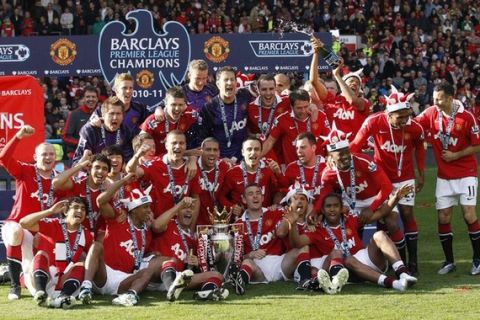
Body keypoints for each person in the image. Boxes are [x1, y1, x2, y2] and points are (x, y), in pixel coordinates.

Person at [78, 176, 191, 306]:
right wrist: (122, 181)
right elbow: (100, 201)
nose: (149, 211)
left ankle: (131, 296)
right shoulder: (118, 219)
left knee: (147, 271)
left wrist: (150, 254)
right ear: (134, 210)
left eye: (149, 207)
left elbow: (139, 254)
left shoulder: (146, 232)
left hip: (123, 279)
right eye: (145, 207)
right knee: (96, 246)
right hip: (104, 273)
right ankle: (86, 288)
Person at [350, 86, 426, 274]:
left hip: (406, 176)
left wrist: (421, 172)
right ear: (388, 113)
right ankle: (394, 261)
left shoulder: (415, 127)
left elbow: (420, 148)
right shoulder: (373, 121)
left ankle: (413, 262)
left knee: (407, 214)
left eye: (407, 115)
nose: (405, 120)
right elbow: (355, 147)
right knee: (388, 218)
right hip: (381, 178)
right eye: (400, 117)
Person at [287, 189, 417, 293]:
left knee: (380, 235)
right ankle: (392, 283)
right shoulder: (317, 229)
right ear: (322, 210)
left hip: (365, 259)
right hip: (344, 269)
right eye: (328, 206)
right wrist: (292, 224)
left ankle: (402, 273)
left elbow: (380, 213)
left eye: (336, 206)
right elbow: (296, 243)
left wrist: (395, 198)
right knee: (346, 257)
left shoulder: (351, 219)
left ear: (341, 208)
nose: (332, 209)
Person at [415, 82, 480, 275]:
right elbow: (413, 124)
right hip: (444, 177)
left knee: (469, 214)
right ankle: (449, 261)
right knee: (443, 217)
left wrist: (456, 155)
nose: (435, 102)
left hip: (466, 174)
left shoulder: (467, 117)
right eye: (434, 98)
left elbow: (478, 145)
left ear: (450, 98)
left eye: (439, 98)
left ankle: (477, 259)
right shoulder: (430, 113)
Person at [319, 125, 407, 262]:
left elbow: (386, 187)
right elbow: (326, 198)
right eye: (340, 154)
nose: (346, 156)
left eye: (347, 151)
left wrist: (371, 208)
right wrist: (318, 212)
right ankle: (358, 261)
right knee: (350, 228)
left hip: (376, 196)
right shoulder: (328, 174)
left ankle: (406, 263)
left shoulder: (364, 161)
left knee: (392, 223)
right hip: (351, 201)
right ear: (331, 157)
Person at [0, 125, 57, 300]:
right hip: (15, 225)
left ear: (56, 157)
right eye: (43, 154)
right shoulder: (26, 170)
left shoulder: (59, 179)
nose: (48, 157)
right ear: (35, 158)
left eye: (51, 154)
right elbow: (3, 157)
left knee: (35, 278)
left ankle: (17, 277)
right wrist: (18, 136)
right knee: (18, 231)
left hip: (39, 233)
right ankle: (14, 286)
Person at [232, 184, 307, 293]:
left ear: (262, 198)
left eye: (258, 193)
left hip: (279, 264)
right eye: (250, 194)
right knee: (247, 262)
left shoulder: (276, 212)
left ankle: (305, 280)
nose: (255, 197)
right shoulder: (238, 225)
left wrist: (305, 219)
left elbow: (284, 230)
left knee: (302, 248)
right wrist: (251, 254)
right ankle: (240, 283)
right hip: (257, 268)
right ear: (244, 199)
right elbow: (237, 257)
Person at [19, 198, 93, 309]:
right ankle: (41, 293)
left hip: (66, 281)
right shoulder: (53, 224)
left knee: (82, 263)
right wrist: (50, 211)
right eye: (76, 207)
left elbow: (91, 260)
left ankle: (64, 297)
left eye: (83, 209)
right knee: (41, 254)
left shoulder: (86, 234)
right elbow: (23, 223)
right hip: (47, 277)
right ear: (66, 211)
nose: (80, 211)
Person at [151, 197, 229, 301]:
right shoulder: (169, 224)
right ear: (177, 212)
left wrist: (196, 262)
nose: (188, 210)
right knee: (171, 262)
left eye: (191, 208)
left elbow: (202, 264)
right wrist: (179, 205)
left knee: (217, 275)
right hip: (159, 275)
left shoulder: (194, 239)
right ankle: (171, 287)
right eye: (184, 208)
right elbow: (156, 226)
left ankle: (205, 294)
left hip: (180, 278)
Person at [126, 130, 201, 223]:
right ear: (166, 146)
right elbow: (131, 171)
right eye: (174, 143)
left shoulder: (191, 168)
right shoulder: (154, 164)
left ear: (186, 146)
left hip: (180, 226)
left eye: (181, 143)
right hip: (156, 223)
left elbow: (196, 198)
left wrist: (192, 227)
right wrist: (137, 155)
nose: (178, 146)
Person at [199, 66, 255, 164]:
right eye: (226, 80)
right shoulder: (210, 107)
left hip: (244, 159)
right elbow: (204, 139)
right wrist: (218, 159)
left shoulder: (245, 95)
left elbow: (266, 94)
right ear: (218, 84)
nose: (229, 83)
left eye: (232, 79)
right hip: (219, 161)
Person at [261, 89, 330, 166]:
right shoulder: (282, 119)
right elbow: (269, 142)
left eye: (306, 106)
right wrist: (258, 157)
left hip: (319, 167)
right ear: (291, 106)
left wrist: (330, 158)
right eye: (299, 108)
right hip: (293, 169)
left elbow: (330, 141)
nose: (303, 111)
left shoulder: (321, 116)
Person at [218, 136, 280, 218]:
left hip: (264, 220)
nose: (253, 152)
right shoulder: (232, 173)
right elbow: (220, 196)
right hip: (241, 220)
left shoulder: (269, 169)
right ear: (242, 152)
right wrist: (231, 207)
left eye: (256, 149)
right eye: (249, 149)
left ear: (261, 152)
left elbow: (278, 192)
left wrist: (275, 204)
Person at [73, 96, 136, 164]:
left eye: (118, 114)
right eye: (111, 114)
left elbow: (128, 160)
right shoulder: (90, 130)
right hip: (92, 170)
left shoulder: (126, 132)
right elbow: (79, 162)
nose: (115, 117)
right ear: (103, 115)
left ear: (123, 116)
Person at [140, 86, 198, 156]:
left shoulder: (190, 114)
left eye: (180, 105)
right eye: (173, 104)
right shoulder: (154, 120)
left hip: (179, 159)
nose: (177, 108)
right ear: (166, 104)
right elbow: (140, 144)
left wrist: (192, 157)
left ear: (185, 105)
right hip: (156, 161)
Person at [247, 74, 290, 162]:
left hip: (282, 159)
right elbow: (246, 131)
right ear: (258, 90)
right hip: (260, 159)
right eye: (264, 89)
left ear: (275, 88)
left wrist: (312, 106)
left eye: (271, 89)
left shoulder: (287, 101)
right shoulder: (251, 108)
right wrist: (254, 135)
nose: (268, 93)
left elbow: (304, 103)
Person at [280, 132, 326, 214]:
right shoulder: (291, 168)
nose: (299, 151)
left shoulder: (326, 166)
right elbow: (282, 192)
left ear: (313, 148)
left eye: (303, 147)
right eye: (297, 148)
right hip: (299, 215)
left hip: (322, 215)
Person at [196, 137, 230, 226]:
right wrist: (191, 158)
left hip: (218, 220)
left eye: (215, 150)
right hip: (197, 222)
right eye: (208, 150)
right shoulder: (192, 167)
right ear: (201, 151)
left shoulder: (224, 166)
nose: (212, 153)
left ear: (219, 153)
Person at [62, 86, 99, 158]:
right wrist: (83, 143)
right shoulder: (74, 114)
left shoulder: (101, 113)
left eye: (93, 97)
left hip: (97, 156)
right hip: (77, 156)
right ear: (83, 99)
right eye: (88, 97)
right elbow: (65, 136)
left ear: (97, 99)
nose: (91, 99)